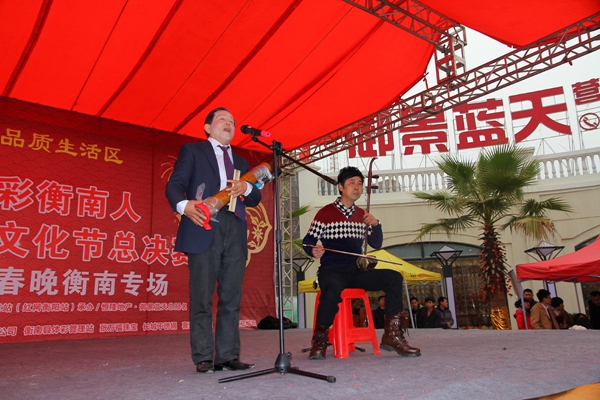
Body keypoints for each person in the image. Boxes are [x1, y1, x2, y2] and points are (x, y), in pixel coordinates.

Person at [165, 107, 263, 374]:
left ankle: (228, 356)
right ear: (208, 127)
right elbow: (174, 185)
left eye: (232, 121)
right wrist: (185, 206)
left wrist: (247, 187)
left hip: (235, 227)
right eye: (222, 119)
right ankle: (203, 356)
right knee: (202, 296)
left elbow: (255, 199)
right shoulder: (193, 151)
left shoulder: (241, 162)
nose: (229, 123)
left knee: (231, 296)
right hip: (204, 224)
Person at [303, 166, 420, 360]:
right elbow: (308, 241)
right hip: (332, 269)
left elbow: (376, 243)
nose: (357, 187)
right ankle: (320, 339)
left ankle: (392, 335)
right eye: (352, 183)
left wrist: (376, 225)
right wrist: (313, 250)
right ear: (340, 187)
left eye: (359, 183)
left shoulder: (363, 215)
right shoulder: (325, 213)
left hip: (356, 270)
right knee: (332, 288)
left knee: (393, 277)